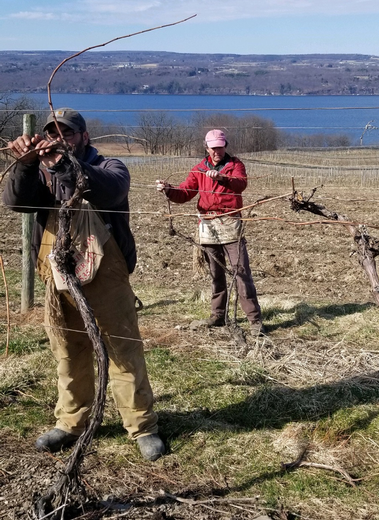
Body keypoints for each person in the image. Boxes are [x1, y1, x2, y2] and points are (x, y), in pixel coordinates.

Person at [3, 108, 165, 461]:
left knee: (123, 350)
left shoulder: (111, 169)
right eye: (54, 132)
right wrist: (28, 164)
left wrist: (63, 164)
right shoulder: (42, 175)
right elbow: (15, 202)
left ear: (84, 137)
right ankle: (71, 423)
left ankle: (142, 426)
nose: (60, 138)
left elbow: (106, 191)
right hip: (57, 276)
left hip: (107, 275)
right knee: (68, 350)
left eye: (69, 133)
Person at [156, 129, 266, 336]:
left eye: (220, 147)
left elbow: (240, 184)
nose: (217, 151)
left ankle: (254, 320)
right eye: (213, 148)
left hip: (230, 222)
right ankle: (218, 315)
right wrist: (169, 190)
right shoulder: (199, 169)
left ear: (225, 146)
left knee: (241, 272)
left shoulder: (235, 165)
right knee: (216, 273)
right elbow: (186, 193)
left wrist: (222, 178)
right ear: (206, 148)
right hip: (207, 224)